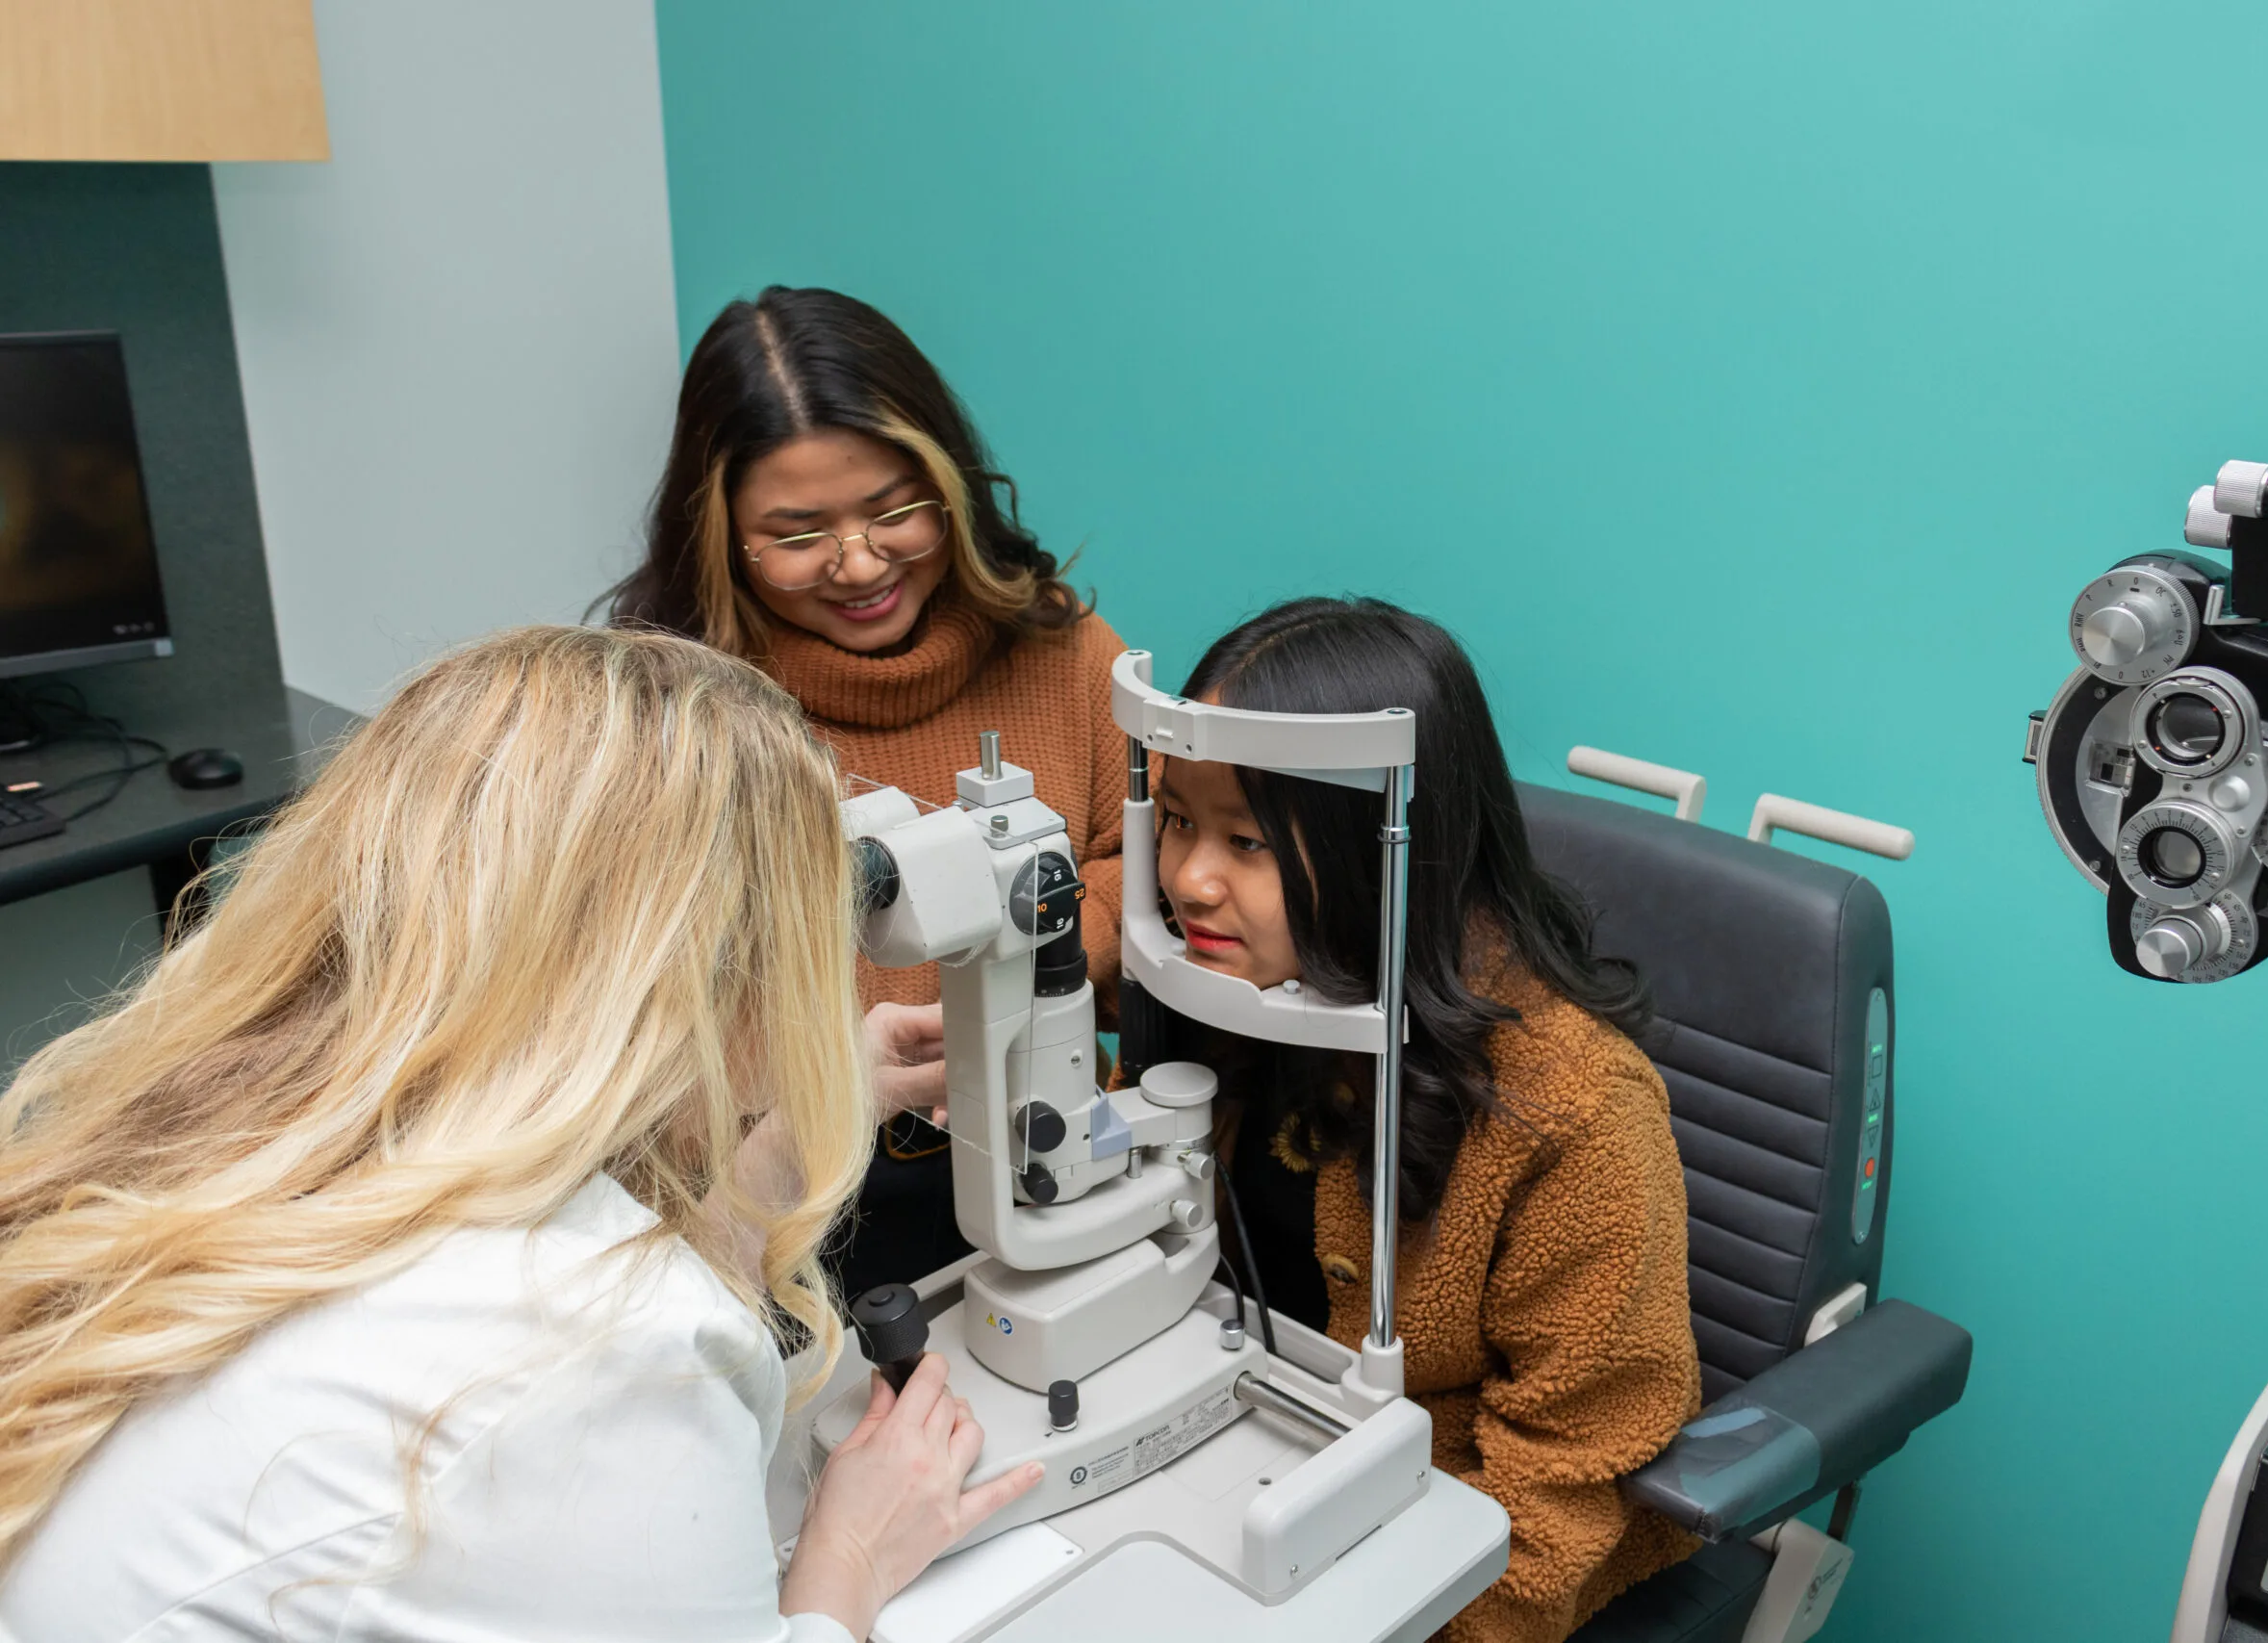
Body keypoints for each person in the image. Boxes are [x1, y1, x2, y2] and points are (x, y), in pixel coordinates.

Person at [0, 628, 1038, 1643]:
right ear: (704, 970)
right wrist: (845, 1565)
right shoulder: (597, 1362)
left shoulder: (230, 1120)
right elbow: (587, 1331)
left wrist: (815, 1101)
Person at [1141, 598, 1700, 1643]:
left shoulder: (1573, 1111)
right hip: (1248, 1458)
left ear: (1377, 849)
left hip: (1444, 1556)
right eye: (1177, 820)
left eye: (1247, 841)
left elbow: (1569, 1480)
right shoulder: (1239, 986)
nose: (1187, 880)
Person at [607, 287, 1128, 1293]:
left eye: (895, 512)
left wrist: (1009, 960)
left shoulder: (1065, 658)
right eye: (797, 534)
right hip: (775, 1209)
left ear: (951, 487)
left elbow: (1134, 872)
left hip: (1048, 1153)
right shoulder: (661, 723)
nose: (858, 565)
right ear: (714, 533)